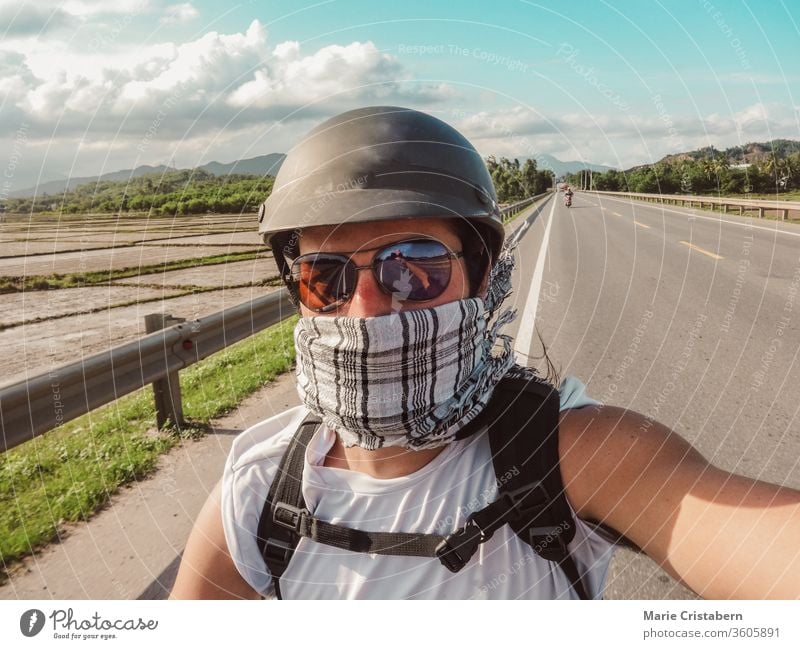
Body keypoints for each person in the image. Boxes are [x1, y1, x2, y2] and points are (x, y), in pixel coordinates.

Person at [170, 106, 800, 600]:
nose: (365, 309)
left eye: (413, 268)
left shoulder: (564, 453)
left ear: (482, 274)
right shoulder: (261, 488)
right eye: (325, 277)